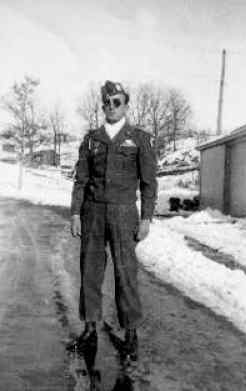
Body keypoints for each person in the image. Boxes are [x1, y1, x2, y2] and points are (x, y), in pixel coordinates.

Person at [70, 80, 157, 360]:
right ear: (103, 105)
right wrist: (75, 213)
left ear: (126, 104)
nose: (111, 107)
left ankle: (131, 333)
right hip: (93, 213)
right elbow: (81, 179)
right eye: (107, 102)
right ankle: (90, 328)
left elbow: (149, 183)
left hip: (123, 213)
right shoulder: (92, 139)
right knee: (90, 272)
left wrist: (146, 218)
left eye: (117, 101)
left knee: (125, 272)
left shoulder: (139, 139)